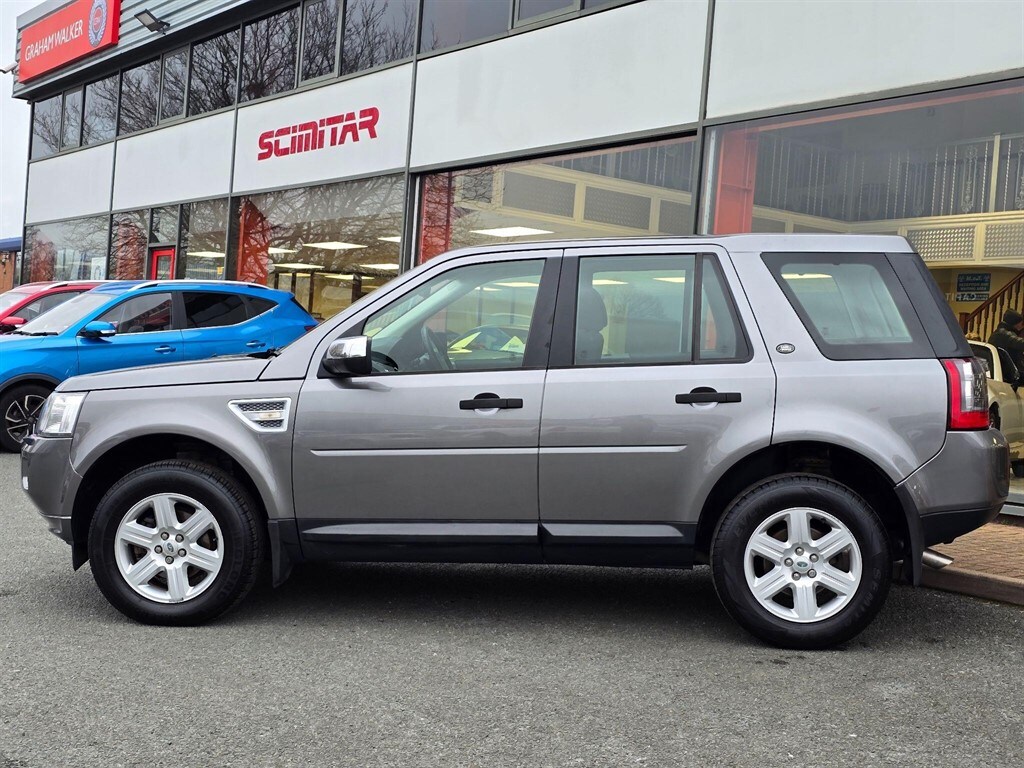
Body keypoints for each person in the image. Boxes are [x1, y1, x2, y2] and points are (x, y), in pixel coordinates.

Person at [988, 308, 1024, 380]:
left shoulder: (998, 333)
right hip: (1006, 376)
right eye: (1021, 323)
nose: (1022, 326)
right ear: (1016, 323)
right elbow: (1019, 343)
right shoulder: (1004, 334)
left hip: (1001, 372)